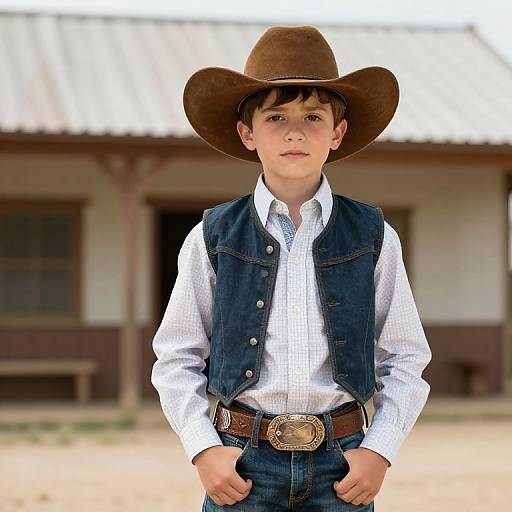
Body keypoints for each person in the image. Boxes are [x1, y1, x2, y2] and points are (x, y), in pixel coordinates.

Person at [151, 25, 432, 511]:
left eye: (314, 116)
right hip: (240, 461)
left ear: (338, 133)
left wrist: (379, 451)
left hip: (343, 462)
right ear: (248, 133)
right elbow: (176, 354)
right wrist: (203, 448)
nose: (295, 131)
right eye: (275, 116)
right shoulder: (213, 236)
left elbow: (405, 355)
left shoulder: (374, 235)